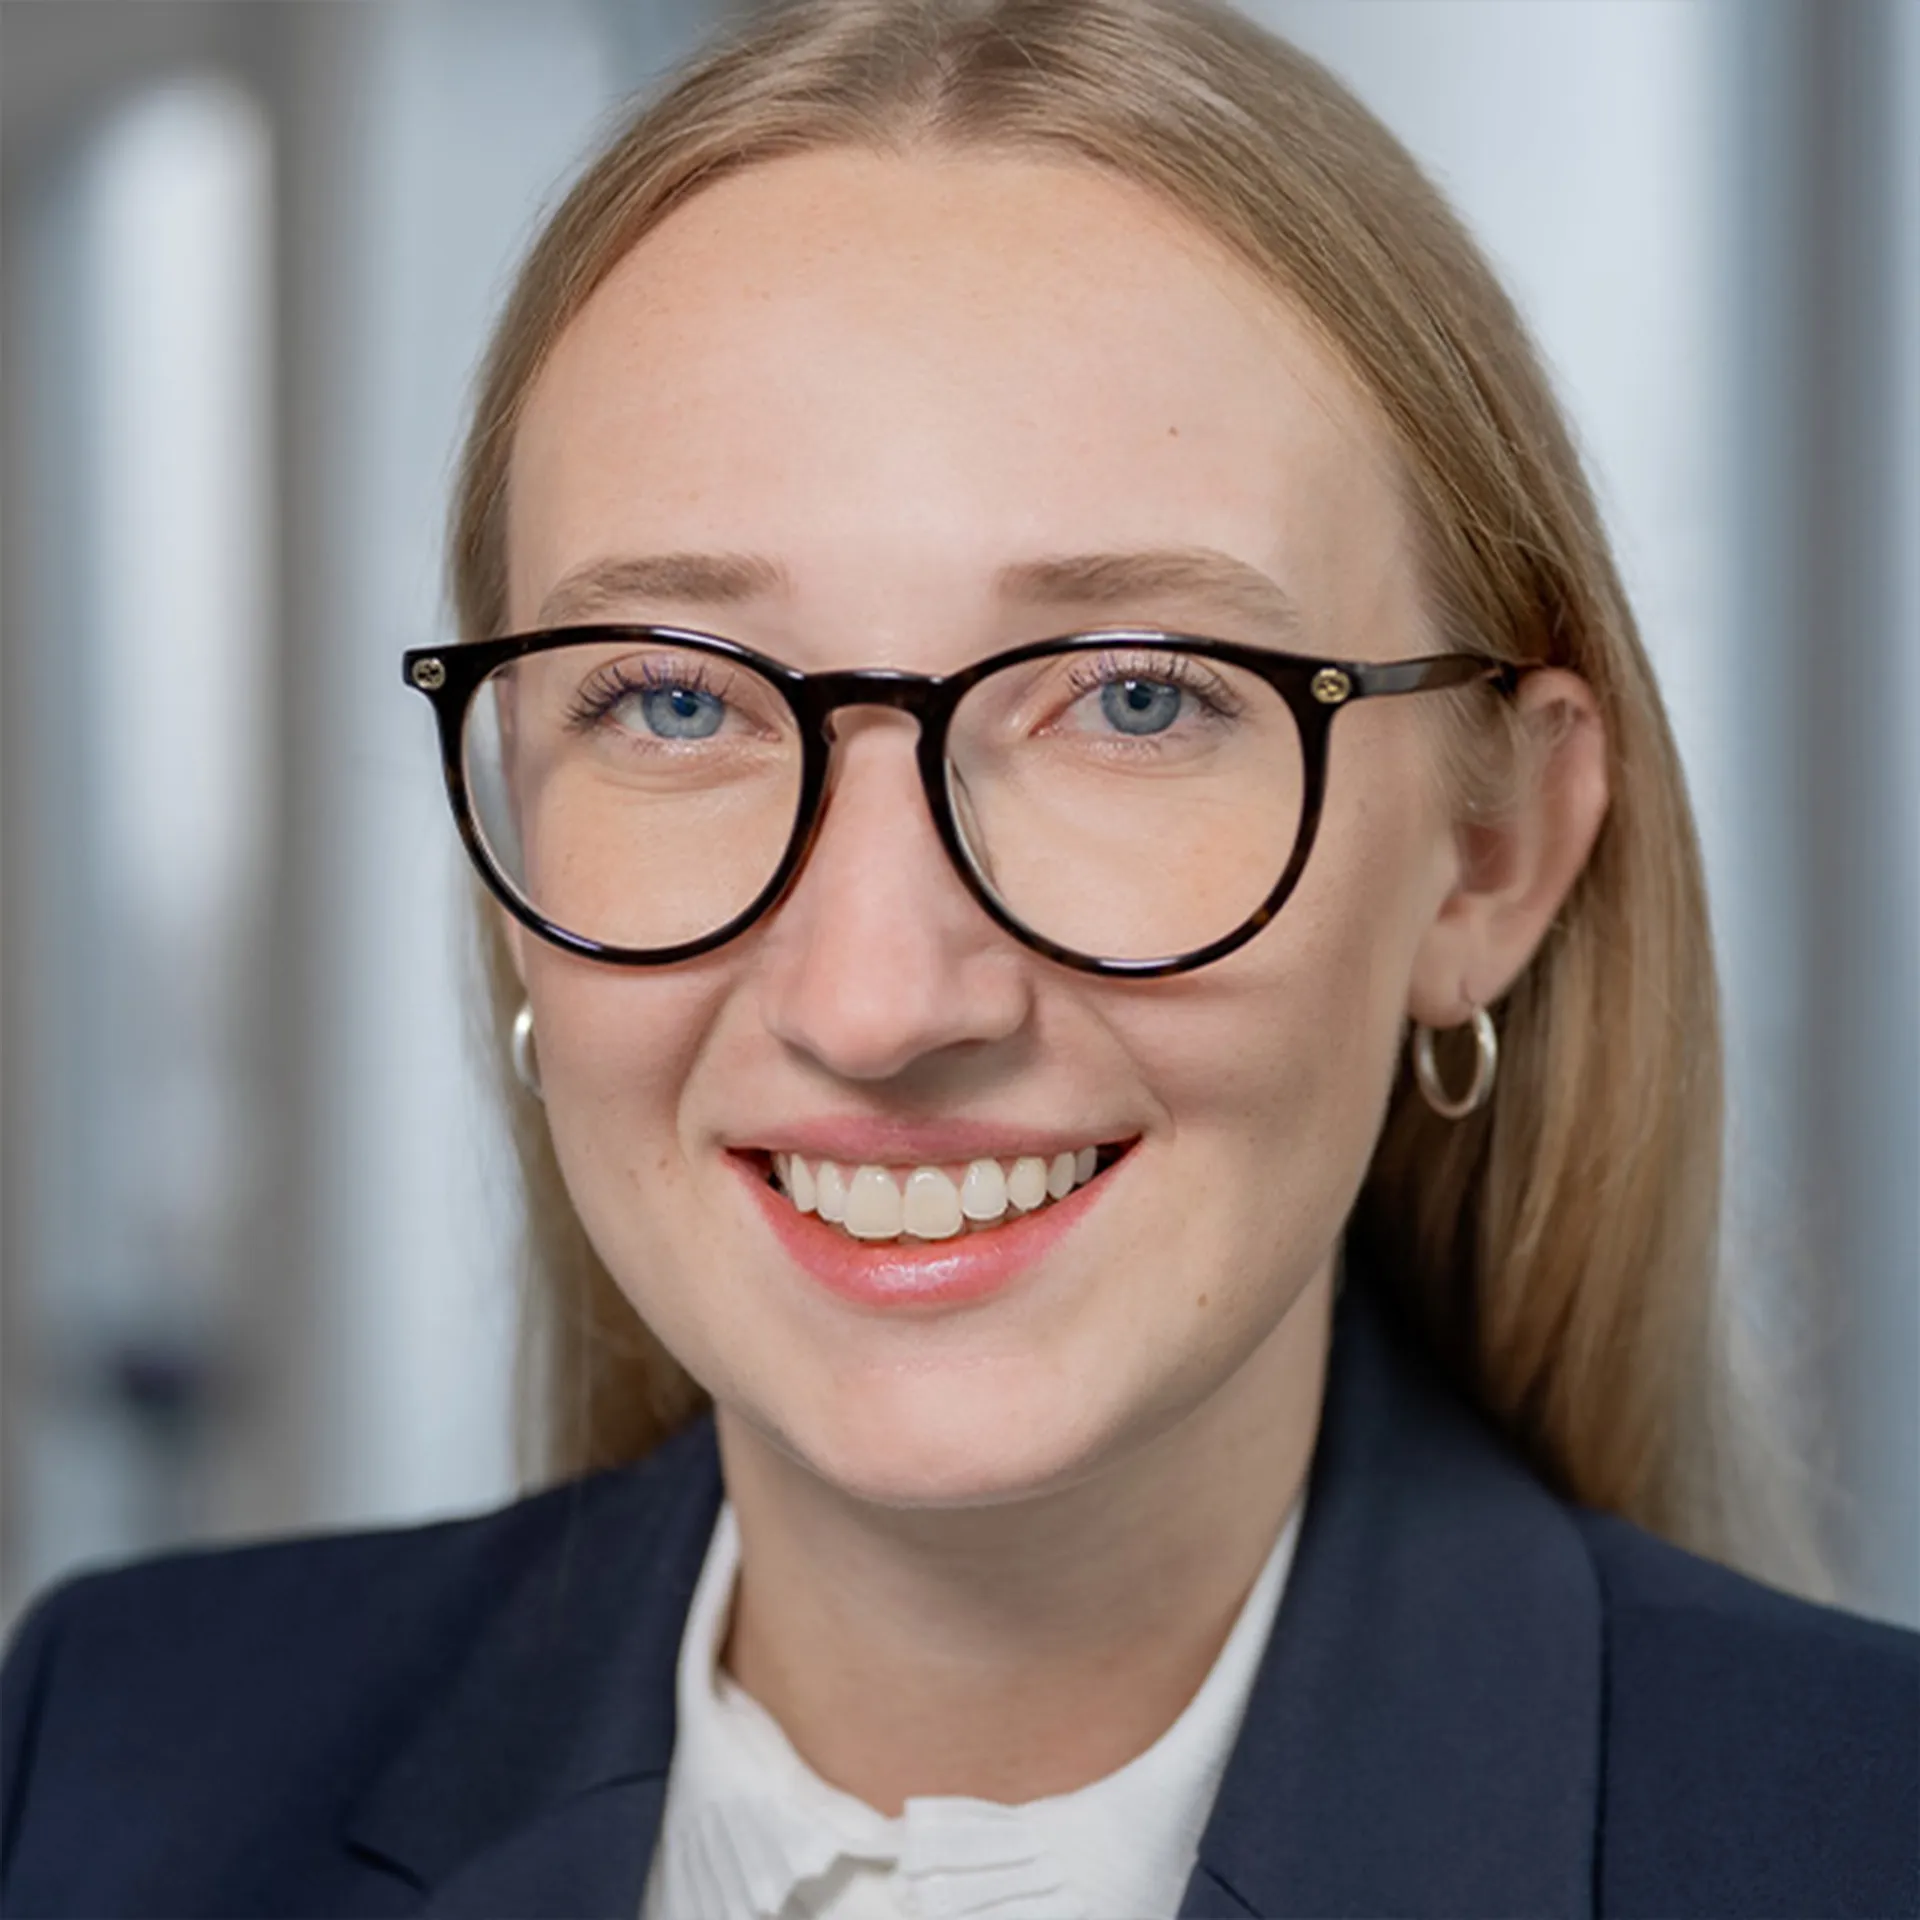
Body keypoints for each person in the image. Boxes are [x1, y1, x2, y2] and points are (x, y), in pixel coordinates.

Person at [3, 2, 1915, 1915]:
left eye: (1141, 699)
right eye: (674, 702)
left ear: (1489, 856)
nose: (881, 998)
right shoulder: (106, 1762)